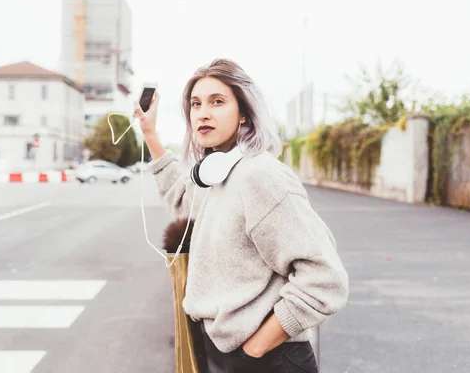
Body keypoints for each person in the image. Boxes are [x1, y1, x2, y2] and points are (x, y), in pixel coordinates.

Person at [136, 59, 349, 373]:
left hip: (267, 359)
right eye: (196, 104)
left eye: (217, 102)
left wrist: (255, 349)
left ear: (245, 113)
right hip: (229, 354)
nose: (203, 113)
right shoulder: (217, 174)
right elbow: (182, 199)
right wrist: (150, 134)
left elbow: (325, 279)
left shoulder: (260, 176)